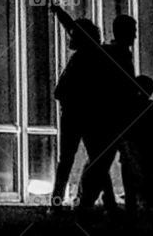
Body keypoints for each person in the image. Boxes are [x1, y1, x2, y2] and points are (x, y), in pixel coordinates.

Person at [50, 12, 115, 209]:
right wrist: (59, 12)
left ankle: (57, 202)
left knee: (68, 161)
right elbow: (72, 27)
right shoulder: (95, 55)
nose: (71, 38)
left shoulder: (82, 58)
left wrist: (59, 12)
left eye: (74, 36)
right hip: (88, 115)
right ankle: (109, 201)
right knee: (96, 159)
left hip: (75, 114)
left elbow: (63, 90)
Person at [79, 14, 142, 214]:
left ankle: (105, 201)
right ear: (123, 32)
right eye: (132, 31)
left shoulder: (115, 54)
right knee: (106, 161)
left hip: (111, 117)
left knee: (103, 161)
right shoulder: (115, 55)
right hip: (112, 118)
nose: (135, 36)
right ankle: (93, 201)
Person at [122, 75, 153, 214]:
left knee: (131, 197)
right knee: (148, 198)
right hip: (149, 160)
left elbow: (123, 136)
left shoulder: (129, 112)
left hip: (131, 159)